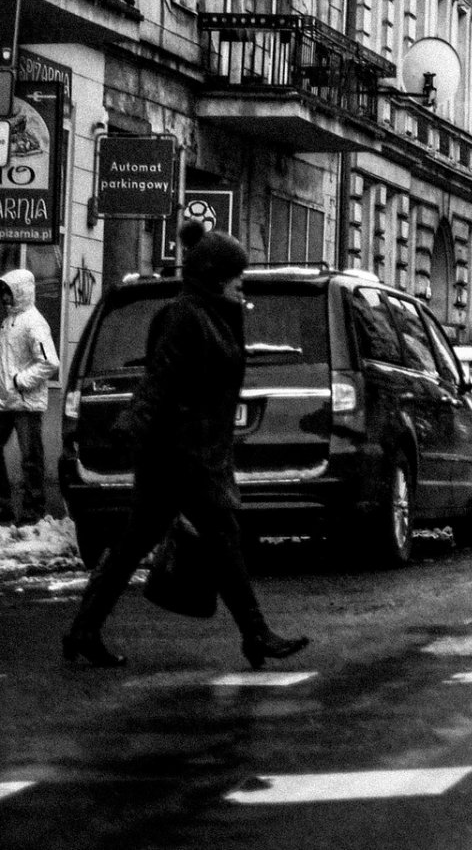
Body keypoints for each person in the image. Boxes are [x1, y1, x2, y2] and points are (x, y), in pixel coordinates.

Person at [63, 220, 308, 670]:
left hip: (196, 450)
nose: (241, 282)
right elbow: (160, 377)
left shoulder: (215, 314)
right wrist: (132, 422)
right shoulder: (184, 315)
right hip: (178, 453)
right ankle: (256, 635)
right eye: (235, 274)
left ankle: (84, 629)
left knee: (140, 541)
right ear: (215, 274)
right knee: (221, 537)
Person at [0, 269, 58, 525]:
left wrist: (19, 381)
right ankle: (4, 505)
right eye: (3, 292)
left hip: (25, 403)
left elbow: (49, 362)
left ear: (20, 291)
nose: (4, 297)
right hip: (6, 401)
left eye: (8, 292)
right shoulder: (7, 322)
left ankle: (34, 510)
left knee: (30, 458)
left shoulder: (35, 322)